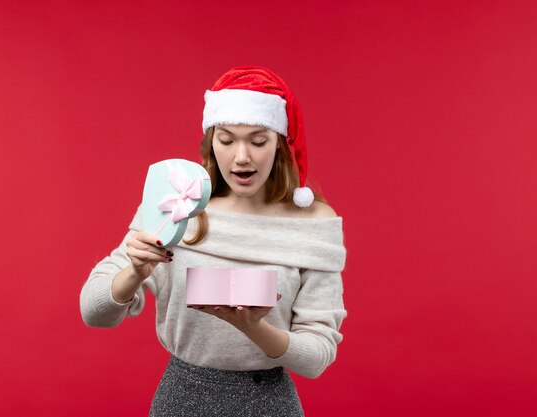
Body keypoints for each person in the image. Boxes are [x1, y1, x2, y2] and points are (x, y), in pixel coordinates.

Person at [80, 66, 347, 417]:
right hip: (182, 398)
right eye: (227, 139)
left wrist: (254, 328)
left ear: (280, 145)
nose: (241, 157)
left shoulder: (314, 224)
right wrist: (135, 270)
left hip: (269, 403)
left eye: (257, 140)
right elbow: (93, 313)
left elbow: (316, 357)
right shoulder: (176, 204)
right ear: (210, 142)